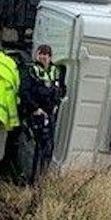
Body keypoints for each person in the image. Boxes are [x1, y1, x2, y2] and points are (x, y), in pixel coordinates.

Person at [19, 44, 66, 183]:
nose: (43, 57)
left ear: (50, 57)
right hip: (34, 114)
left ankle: (42, 178)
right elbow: (24, 92)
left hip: (49, 114)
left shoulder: (55, 72)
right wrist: (35, 108)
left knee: (47, 148)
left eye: (46, 54)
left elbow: (61, 90)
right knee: (33, 148)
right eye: (41, 54)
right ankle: (30, 178)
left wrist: (56, 105)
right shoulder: (31, 70)